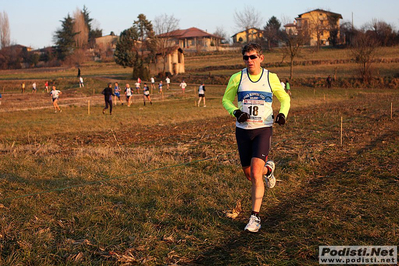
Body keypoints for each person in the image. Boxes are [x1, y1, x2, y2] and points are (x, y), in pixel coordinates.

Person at [222, 43, 290, 233]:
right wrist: (235, 112)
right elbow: (225, 100)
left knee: (255, 173)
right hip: (243, 130)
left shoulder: (271, 78)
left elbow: (284, 98)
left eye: (253, 57)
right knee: (250, 174)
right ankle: (269, 169)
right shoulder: (237, 78)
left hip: (263, 129)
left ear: (261, 58)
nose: (249, 60)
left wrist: (283, 114)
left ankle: (255, 217)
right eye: (246, 57)